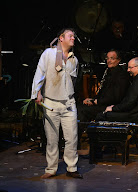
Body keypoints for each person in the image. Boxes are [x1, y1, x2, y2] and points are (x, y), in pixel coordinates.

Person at [30, 28, 82, 179]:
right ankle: (51, 169)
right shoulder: (49, 53)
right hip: (51, 102)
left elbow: (73, 80)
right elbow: (40, 73)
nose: (73, 38)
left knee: (72, 137)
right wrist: (36, 93)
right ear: (61, 38)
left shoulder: (74, 59)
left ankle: (71, 167)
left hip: (68, 103)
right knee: (52, 139)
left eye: (74, 36)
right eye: (70, 36)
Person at [78, 49, 130, 123]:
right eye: (107, 58)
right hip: (103, 104)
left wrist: (96, 101)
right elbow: (102, 93)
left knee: (82, 110)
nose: (109, 61)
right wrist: (92, 99)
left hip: (111, 107)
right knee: (80, 106)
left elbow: (116, 98)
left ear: (118, 60)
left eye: (112, 58)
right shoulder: (108, 72)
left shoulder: (121, 76)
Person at [95, 57, 138, 123]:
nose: (128, 70)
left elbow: (130, 103)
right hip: (134, 112)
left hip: (134, 114)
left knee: (101, 116)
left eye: (130, 67)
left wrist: (113, 108)